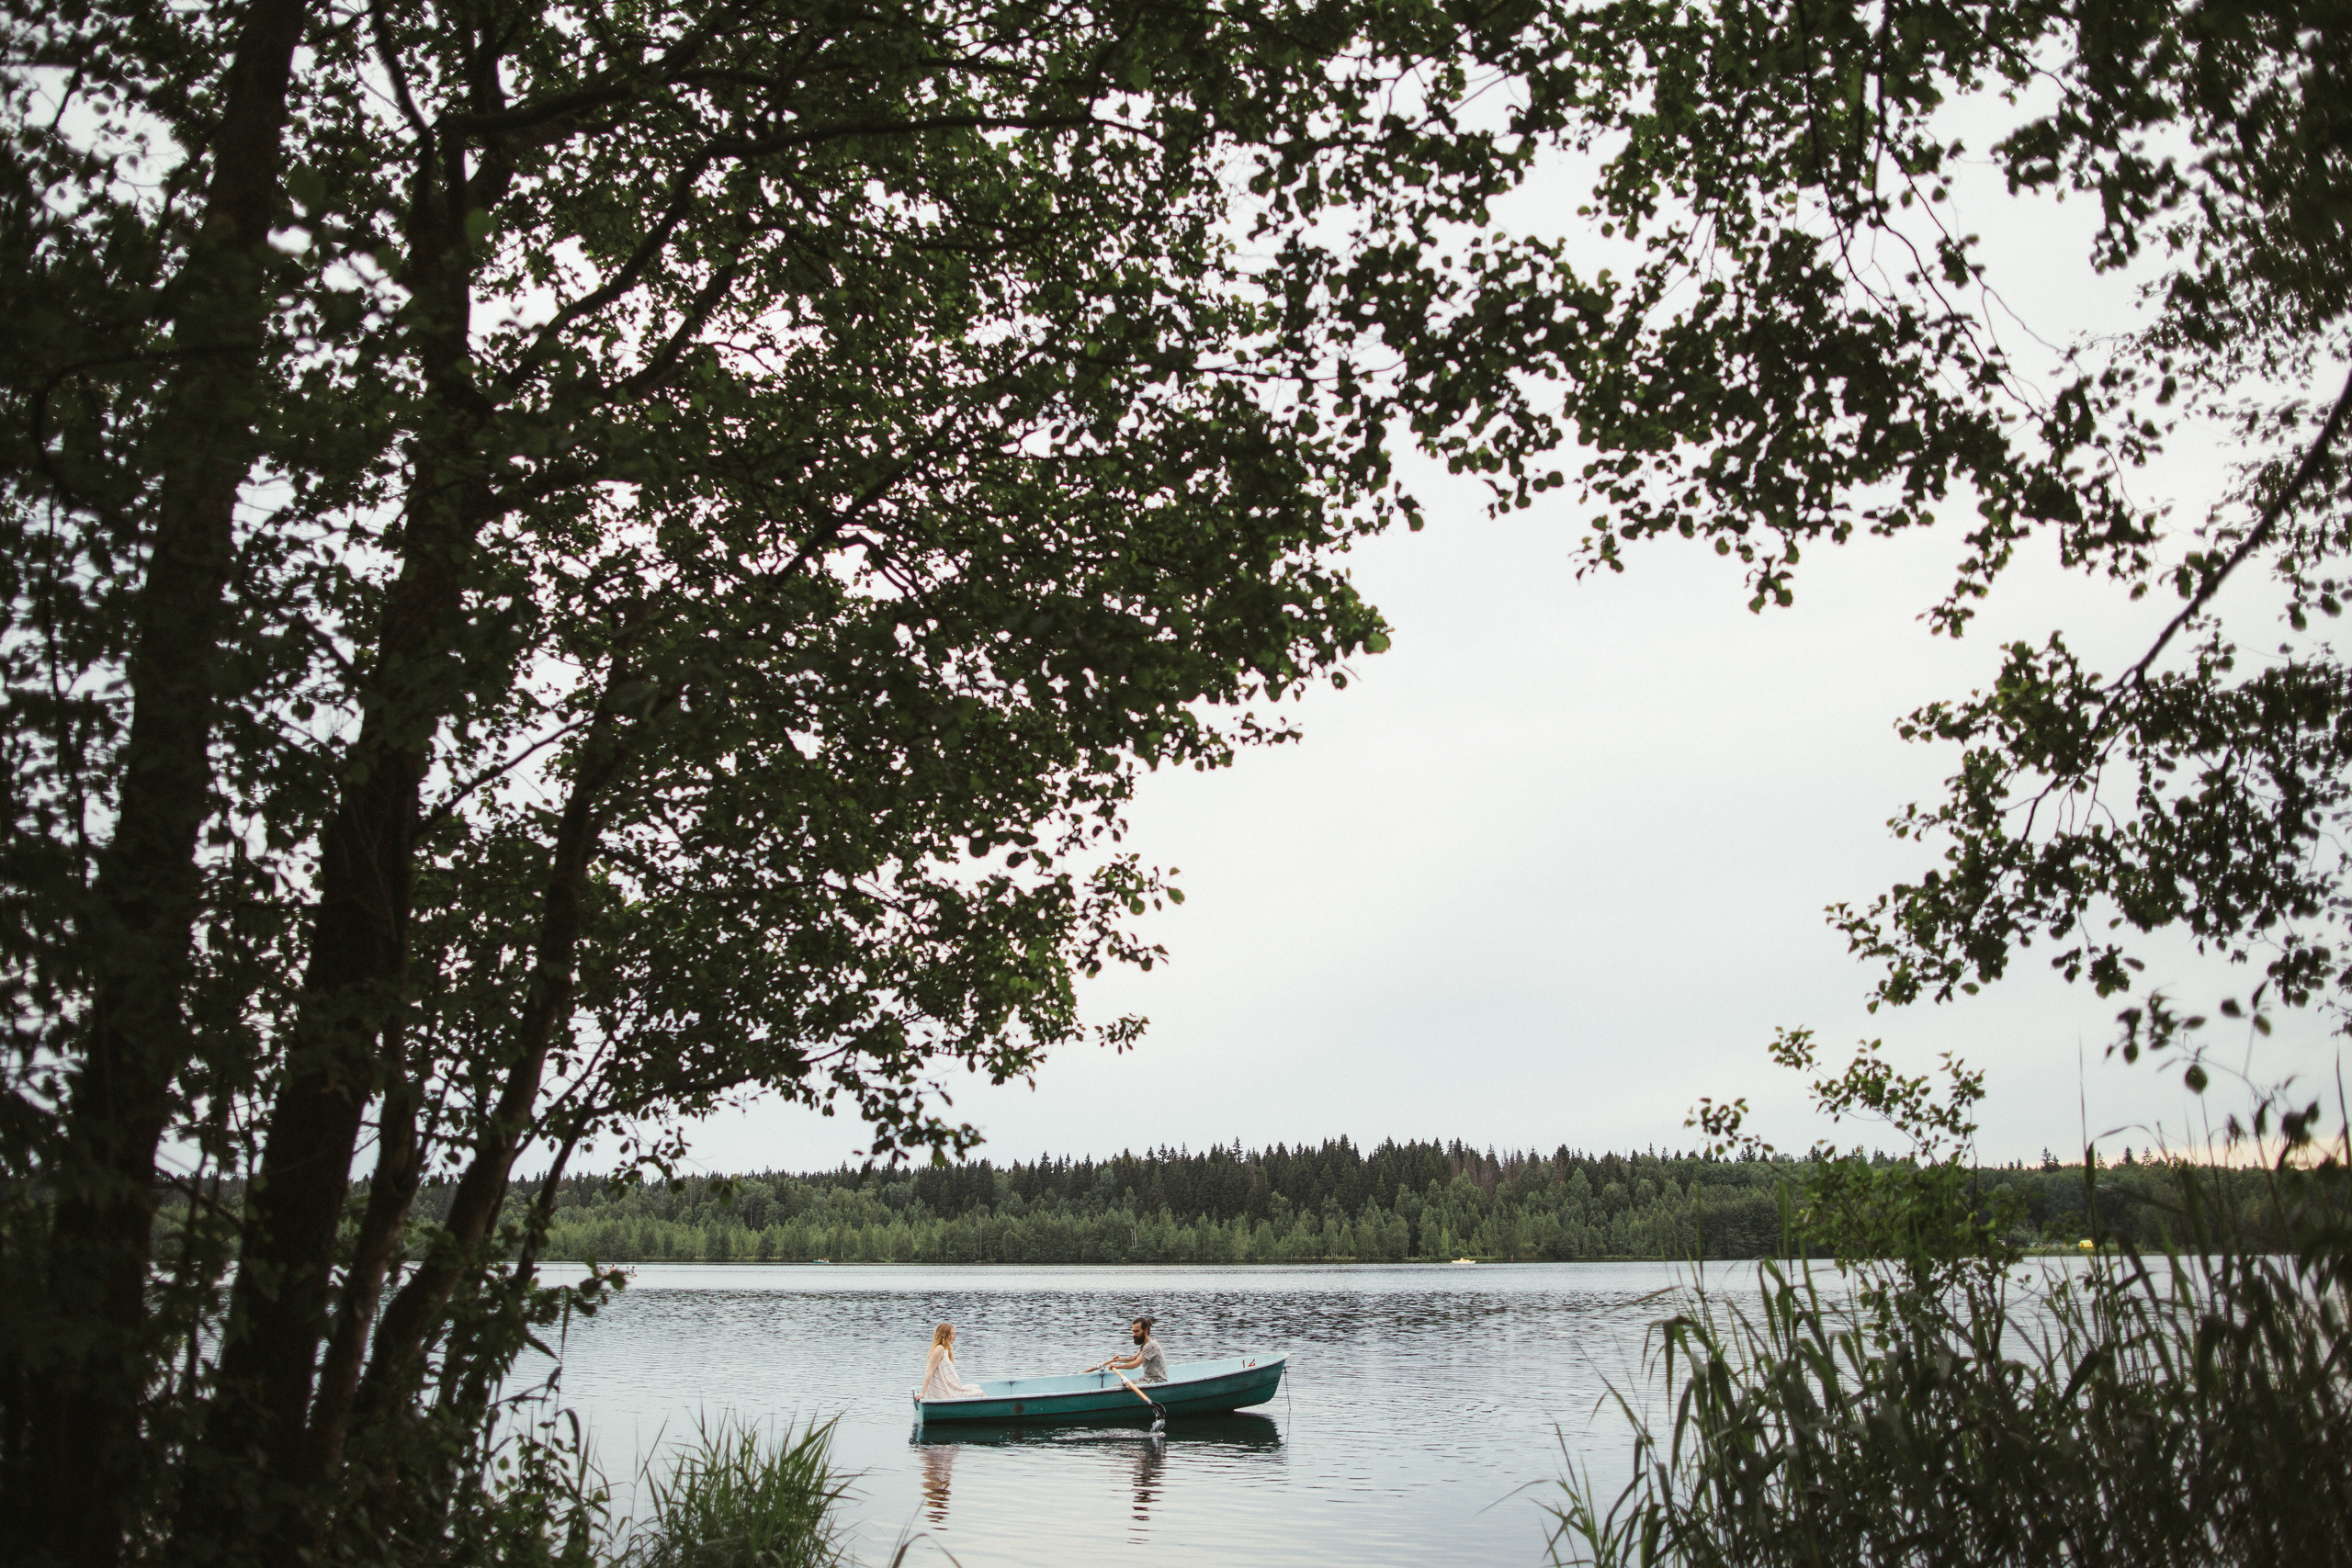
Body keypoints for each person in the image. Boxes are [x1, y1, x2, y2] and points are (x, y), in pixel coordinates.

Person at [919, 1322, 985, 1400]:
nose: (954, 1336)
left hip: (951, 1388)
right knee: (981, 1393)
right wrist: (922, 1393)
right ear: (945, 1335)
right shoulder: (939, 1349)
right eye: (952, 1334)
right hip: (945, 1392)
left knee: (975, 1387)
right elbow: (929, 1372)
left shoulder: (945, 1350)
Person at [1093, 1315, 1168, 1383]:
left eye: (1137, 1331)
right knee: (1117, 1386)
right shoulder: (1145, 1344)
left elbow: (1135, 1364)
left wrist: (1117, 1367)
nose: (1134, 1335)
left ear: (1145, 1331)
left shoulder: (1150, 1345)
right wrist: (1120, 1359)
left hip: (1157, 1381)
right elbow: (1134, 1358)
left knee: (1122, 1388)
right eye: (1133, 1331)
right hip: (1147, 1378)